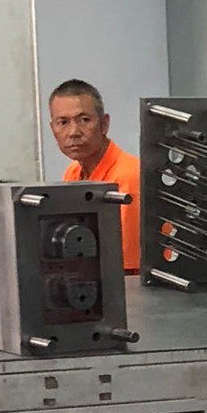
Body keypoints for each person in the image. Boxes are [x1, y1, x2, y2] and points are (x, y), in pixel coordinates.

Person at [47, 79, 141, 273]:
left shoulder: (130, 176)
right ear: (53, 129)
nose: (73, 132)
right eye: (63, 122)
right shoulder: (73, 172)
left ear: (104, 124)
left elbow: (128, 270)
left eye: (84, 120)